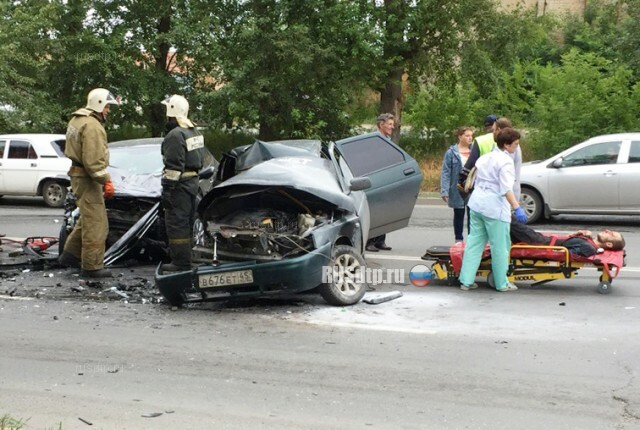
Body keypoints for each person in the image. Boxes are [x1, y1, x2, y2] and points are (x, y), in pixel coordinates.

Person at [58, 88, 119, 278]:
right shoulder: (92, 126)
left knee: (87, 217)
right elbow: (93, 162)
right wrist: (106, 180)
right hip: (88, 177)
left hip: (79, 176)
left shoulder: (77, 119)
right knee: (97, 223)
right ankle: (92, 267)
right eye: (107, 106)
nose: (108, 110)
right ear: (99, 104)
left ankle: (70, 255)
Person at [458, 127, 528, 292]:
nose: (517, 147)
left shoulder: (485, 157)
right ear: (507, 145)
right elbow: (505, 188)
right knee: (501, 247)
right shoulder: (505, 162)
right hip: (494, 209)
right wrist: (517, 208)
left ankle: (466, 280)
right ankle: (501, 283)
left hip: (476, 205)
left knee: (474, 243)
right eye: (515, 144)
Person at [160, 95, 206, 272]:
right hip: (192, 184)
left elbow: (172, 167)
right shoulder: (194, 132)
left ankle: (180, 262)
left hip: (179, 186)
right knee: (187, 222)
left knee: (176, 223)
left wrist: (167, 190)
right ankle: (187, 258)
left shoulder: (175, 135)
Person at [458, 115, 523, 201]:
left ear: (498, 130)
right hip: (509, 192)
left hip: (501, 195)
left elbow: (471, 163)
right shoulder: (514, 145)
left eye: (494, 130)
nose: (492, 133)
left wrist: (461, 180)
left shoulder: (508, 147)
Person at [366, 113, 395, 252]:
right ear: (381, 124)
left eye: (392, 124)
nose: (392, 127)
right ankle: (370, 241)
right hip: (373, 179)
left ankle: (380, 240)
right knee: (374, 211)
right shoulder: (372, 139)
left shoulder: (388, 139)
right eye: (389, 124)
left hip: (385, 179)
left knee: (385, 209)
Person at [510, 222, 625, 257]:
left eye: (611, 234)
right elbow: (567, 243)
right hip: (544, 240)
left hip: (541, 243)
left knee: (509, 219)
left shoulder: (589, 248)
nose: (608, 231)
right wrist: (579, 235)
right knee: (507, 223)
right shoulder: (588, 242)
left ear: (609, 244)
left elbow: (563, 254)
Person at [441, 126, 473, 242]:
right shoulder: (451, 152)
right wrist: (444, 190)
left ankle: (472, 240)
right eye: (467, 135)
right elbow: (446, 172)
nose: (470, 138)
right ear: (460, 137)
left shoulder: (474, 150)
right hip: (457, 188)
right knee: (459, 214)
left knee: (472, 215)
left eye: (471, 136)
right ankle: (458, 240)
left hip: (472, 187)